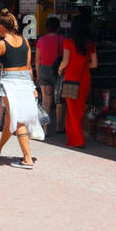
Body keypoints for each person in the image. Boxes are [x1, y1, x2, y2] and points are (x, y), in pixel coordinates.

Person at [0, 10, 40, 168]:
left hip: (10, 83)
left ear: (2, 27)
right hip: (25, 82)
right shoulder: (24, 42)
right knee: (11, 120)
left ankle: (27, 158)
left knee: (17, 120)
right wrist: (33, 86)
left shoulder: (1, 44)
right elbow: (28, 67)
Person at [58, 15, 98, 148]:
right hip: (84, 78)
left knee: (72, 110)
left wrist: (59, 70)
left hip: (71, 79)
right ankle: (71, 138)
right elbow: (94, 64)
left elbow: (65, 61)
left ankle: (78, 140)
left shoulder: (68, 42)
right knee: (78, 109)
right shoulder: (90, 43)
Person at [35, 16, 65, 133]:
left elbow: (37, 60)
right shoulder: (63, 39)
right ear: (58, 27)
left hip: (44, 70)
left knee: (46, 101)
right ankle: (58, 126)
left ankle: (45, 128)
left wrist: (38, 74)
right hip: (57, 71)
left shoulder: (41, 40)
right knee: (58, 101)